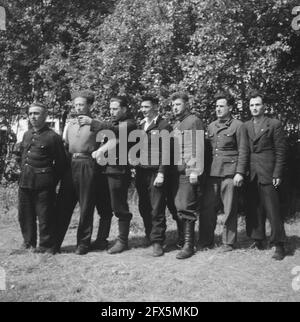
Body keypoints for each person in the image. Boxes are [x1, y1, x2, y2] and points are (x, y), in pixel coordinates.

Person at [54, 91, 113, 255]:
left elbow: (114, 138)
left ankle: (83, 244)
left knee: (86, 206)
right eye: (76, 104)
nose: (78, 107)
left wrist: (100, 151)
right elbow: (65, 145)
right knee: (63, 204)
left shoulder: (96, 124)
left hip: (88, 164)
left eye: (81, 104)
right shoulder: (70, 124)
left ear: (89, 105)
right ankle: (54, 243)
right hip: (70, 164)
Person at [79, 95, 137, 254]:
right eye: (110, 108)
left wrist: (94, 122)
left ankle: (122, 242)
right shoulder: (111, 123)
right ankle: (101, 240)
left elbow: (116, 134)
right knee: (104, 208)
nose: (112, 111)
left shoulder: (130, 124)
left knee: (119, 207)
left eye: (115, 108)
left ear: (124, 109)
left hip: (118, 170)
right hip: (103, 170)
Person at [199, 91, 247, 252]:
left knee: (229, 209)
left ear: (230, 107)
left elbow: (243, 150)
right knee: (207, 208)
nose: (218, 109)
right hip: (213, 173)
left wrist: (240, 172)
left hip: (230, 173)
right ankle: (206, 240)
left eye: (222, 106)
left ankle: (228, 242)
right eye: (216, 106)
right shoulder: (211, 126)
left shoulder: (238, 126)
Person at [18, 102, 67, 254]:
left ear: (45, 116)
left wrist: (51, 181)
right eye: (31, 113)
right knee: (25, 215)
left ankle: (46, 246)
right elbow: (23, 157)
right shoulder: (27, 134)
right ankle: (28, 243)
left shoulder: (53, 137)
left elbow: (61, 164)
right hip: (25, 181)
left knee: (45, 216)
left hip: (44, 184)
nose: (33, 117)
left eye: (36, 113)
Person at [244, 90, 287, 261]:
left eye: (257, 104)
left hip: (269, 172)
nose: (254, 108)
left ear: (264, 106)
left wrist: (277, 172)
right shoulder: (246, 126)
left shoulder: (273, 124)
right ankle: (258, 239)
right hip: (251, 173)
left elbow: (281, 151)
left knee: (272, 209)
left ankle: (279, 244)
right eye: (252, 105)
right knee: (254, 208)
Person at [135, 95, 173, 257]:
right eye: (142, 107)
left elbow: (167, 151)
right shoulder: (141, 125)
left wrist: (161, 173)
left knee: (157, 207)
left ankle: (158, 241)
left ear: (156, 107)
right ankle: (150, 235)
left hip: (156, 172)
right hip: (141, 171)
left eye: (147, 107)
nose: (143, 110)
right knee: (144, 206)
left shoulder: (164, 126)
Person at [171, 92, 205, 259]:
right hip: (176, 172)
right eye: (173, 105)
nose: (175, 107)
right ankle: (181, 239)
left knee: (187, 207)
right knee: (178, 207)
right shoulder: (177, 124)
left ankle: (189, 245)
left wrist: (194, 171)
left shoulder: (194, 121)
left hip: (188, 171)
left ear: (186, 105)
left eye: (178, 104)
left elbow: (198, 147)